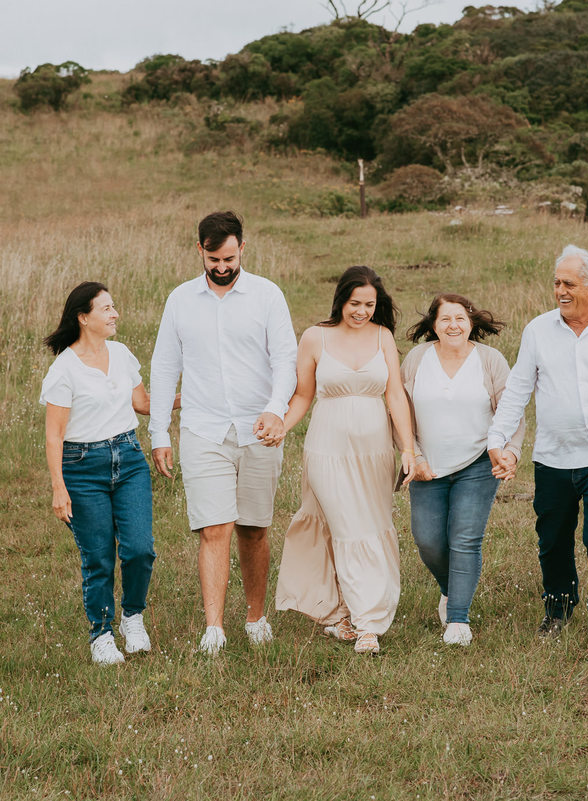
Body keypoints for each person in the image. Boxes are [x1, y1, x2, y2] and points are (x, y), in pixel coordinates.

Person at [487, 245, 588, 654]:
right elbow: (518, 391)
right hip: (552, 456)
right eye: (556, 282)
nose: (559, 290)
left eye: (569, 283)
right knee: (553, 538)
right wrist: (497, 440)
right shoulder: (538, 330)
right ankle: (558, 608)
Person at [149, 211, 298, 656]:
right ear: (200, 250)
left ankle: (256, 617)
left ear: (242, 249)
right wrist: (160, 431)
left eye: (229, 257)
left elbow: (285, 360)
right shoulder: (179, 301)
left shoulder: (268, 296)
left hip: (259, 430)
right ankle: (214, 628)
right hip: (203, 428)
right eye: (213, 258)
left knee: (254, 528)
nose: (221, 267)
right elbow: (164, 366)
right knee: (214, 528)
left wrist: (275, 411)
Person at [272, 266, 416, 655]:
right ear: (341, 300)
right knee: (342, 524)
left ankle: (347, 616)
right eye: (355, 303)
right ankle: (367, 622)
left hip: (374, 452)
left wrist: (408, 448)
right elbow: (302, 395)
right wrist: (282, 427)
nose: (362, 312)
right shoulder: (315, 337)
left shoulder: (383, 337)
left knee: (370, 524)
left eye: (370, 305)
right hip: (327, 449)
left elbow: (396, 396)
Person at [41, 281, 159, 665]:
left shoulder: (122, 354)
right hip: (82, 468)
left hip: (128, 458)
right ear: (83, 318)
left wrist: (188, 398)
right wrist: (59, 488)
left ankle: (132, 617)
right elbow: (54, 435)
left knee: (140, 549)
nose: (115, 314)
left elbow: (142, 402)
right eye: (106, 309)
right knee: (99, 556)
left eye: (113, 307)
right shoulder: (64, 370)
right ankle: (102, 634)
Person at [402, 293, 525, 647]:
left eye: (460, 318)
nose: (453, 325)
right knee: (428, 541)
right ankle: (450, 589)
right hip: (428, 466)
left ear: (471, 322)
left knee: (465, 538)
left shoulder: (490, 360)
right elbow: (400, 412)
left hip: (477, 462)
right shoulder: (416, 360)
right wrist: (413, 454)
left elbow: (511, 411)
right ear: (433, 325)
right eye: (445, 319)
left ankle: (458, 619)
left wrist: (510, 452)